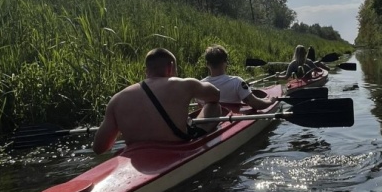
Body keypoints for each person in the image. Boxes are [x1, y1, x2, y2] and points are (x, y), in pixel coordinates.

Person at [93, 48, 221, 154]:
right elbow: (215, 95)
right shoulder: (184, 84)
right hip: (177, 148)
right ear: (170, 68)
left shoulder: (117, 99)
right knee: (215, 106)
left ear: (146, 71)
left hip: (137, 154)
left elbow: (99, 147)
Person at [200, 44, 277, 109]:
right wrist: (270, 101)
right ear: (225, 62)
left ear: (207, 64)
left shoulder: (200, 85)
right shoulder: (236, 82)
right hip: (231, 120)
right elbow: (255, 104)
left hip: (208, 121)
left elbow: (200, 107)